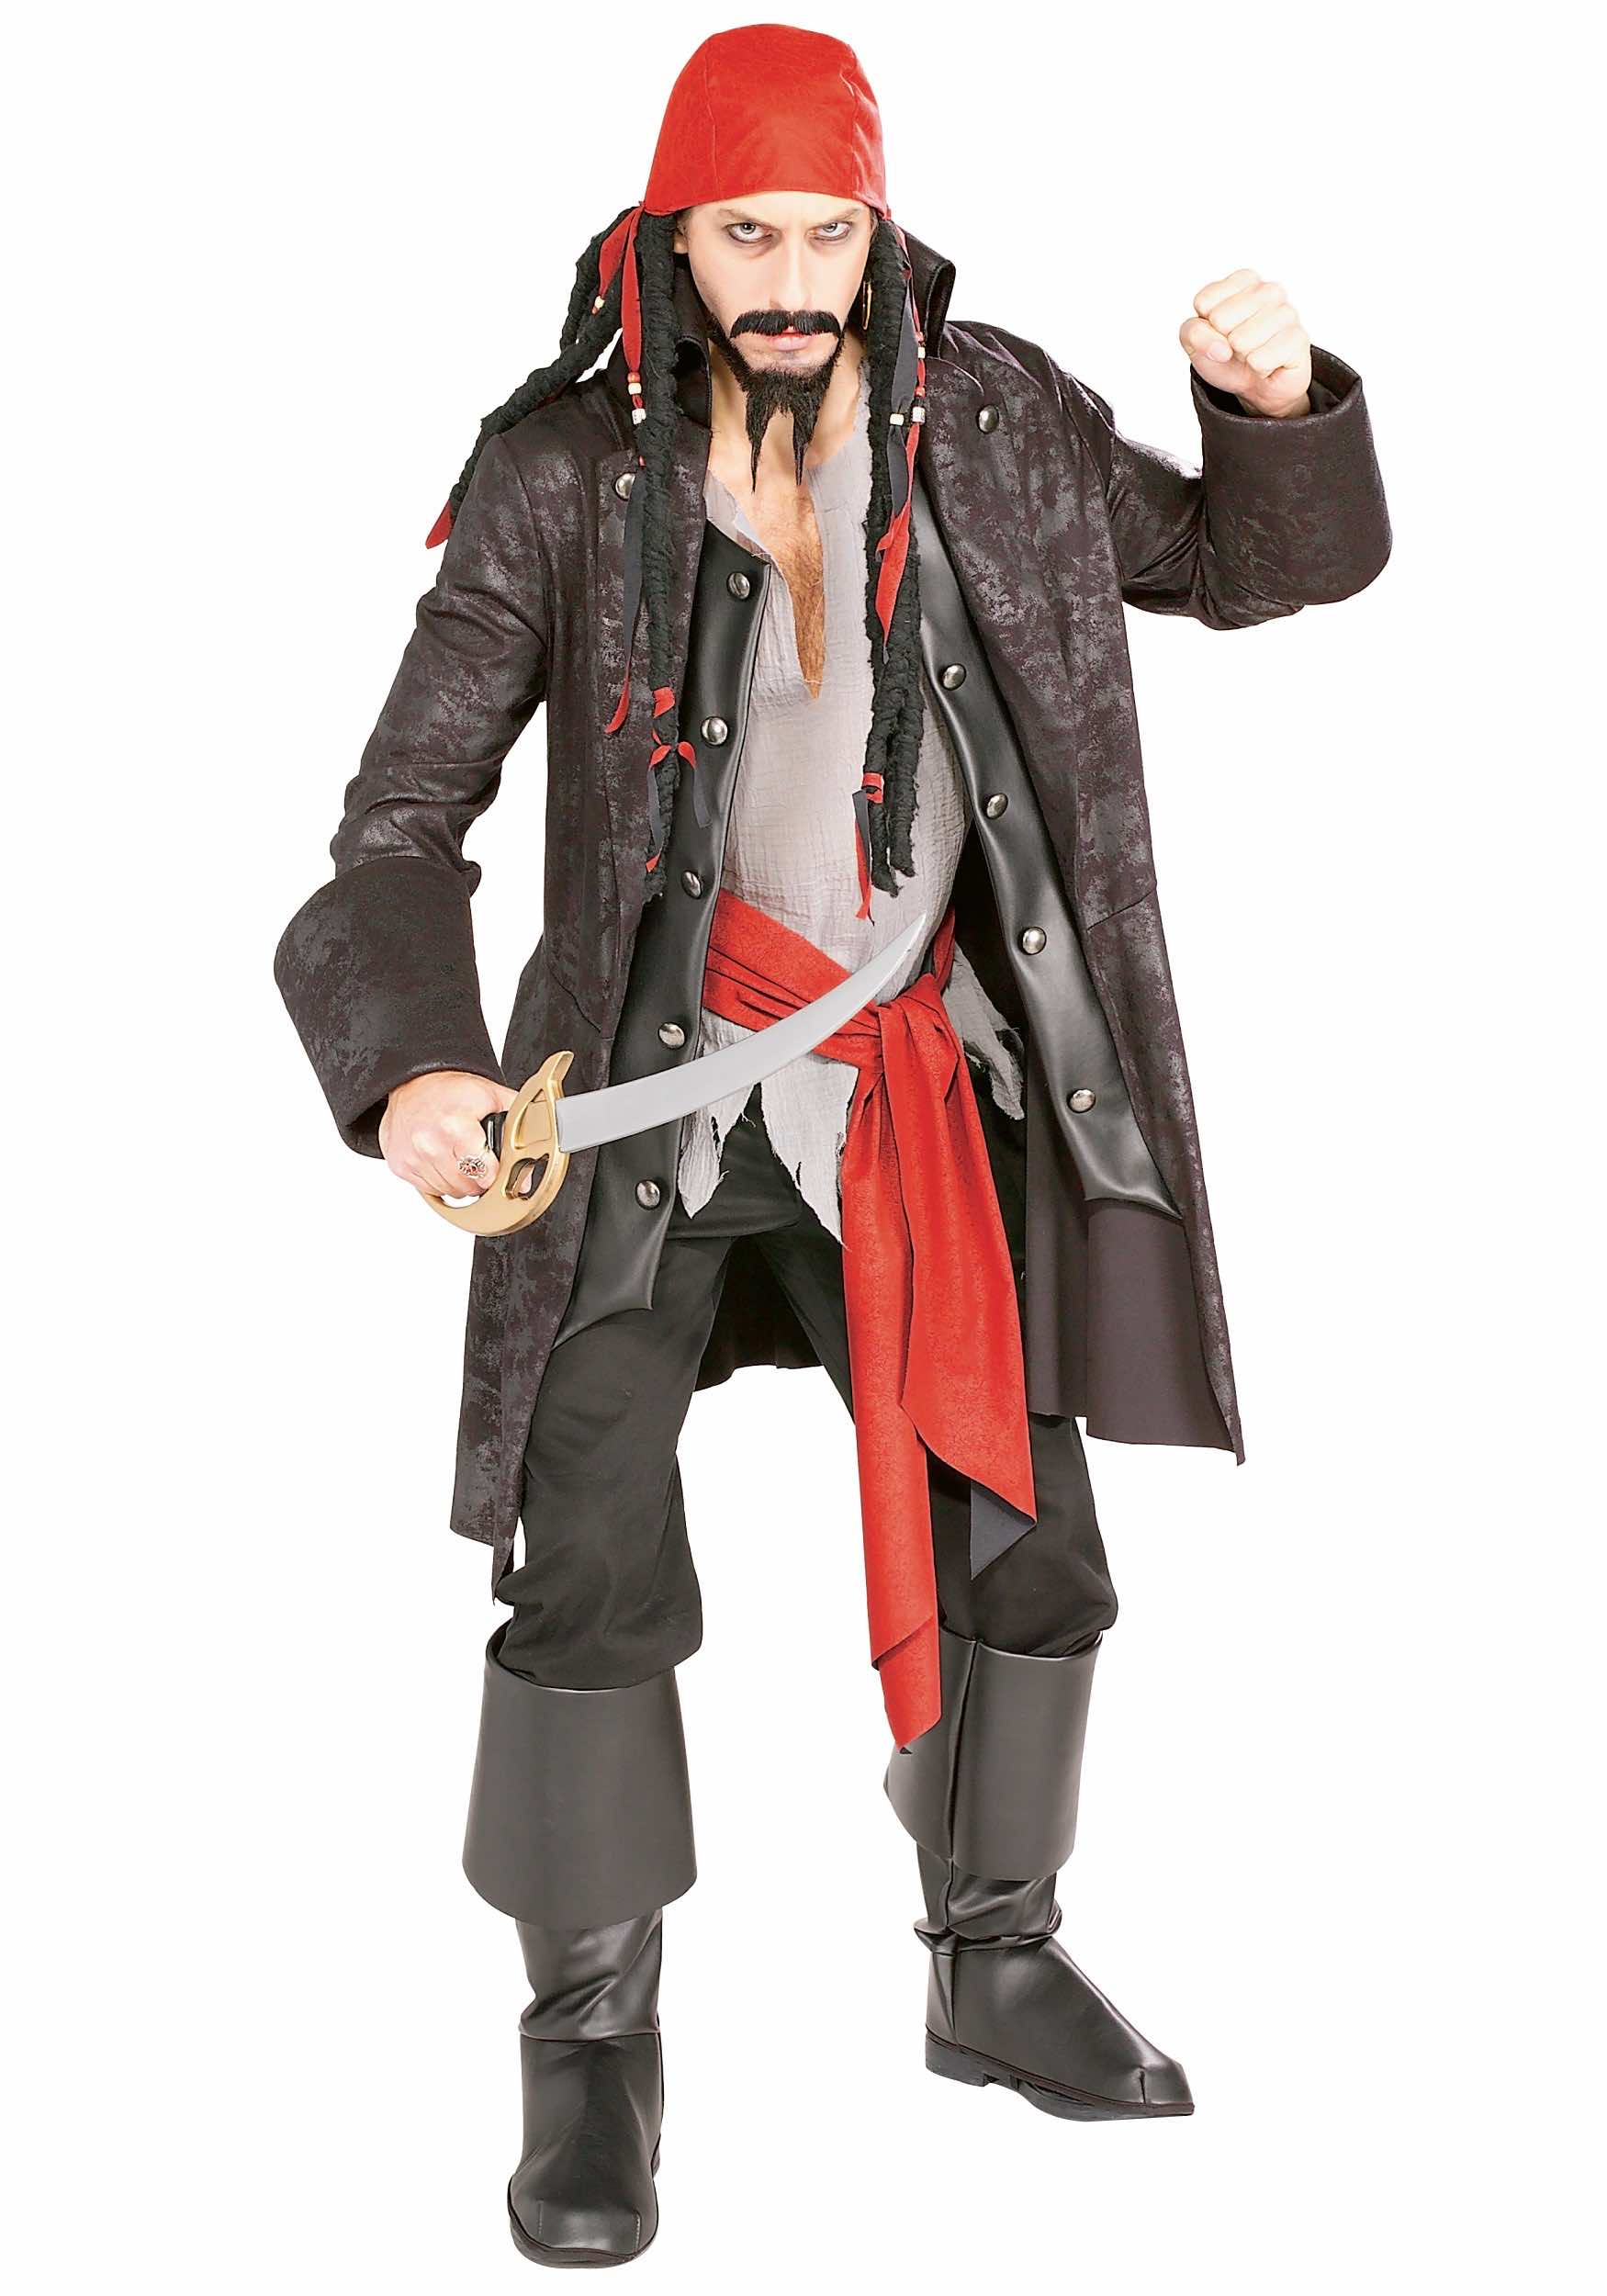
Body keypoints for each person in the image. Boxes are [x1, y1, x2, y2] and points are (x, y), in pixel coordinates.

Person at [274, 21, 1391, 2268]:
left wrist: (1274, 409)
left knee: (1024, 1529)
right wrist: (408, 1071)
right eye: (743, 233)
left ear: (873, 233)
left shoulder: (998, 421)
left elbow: (1246, 569)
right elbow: (397, 819)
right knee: (584, 1554)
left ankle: (993, 1952)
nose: (786, 276)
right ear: (669, 246)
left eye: (821, 230)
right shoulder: (554, 476)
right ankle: (589, 2039)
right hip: (648, 1112)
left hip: (917, 1092)